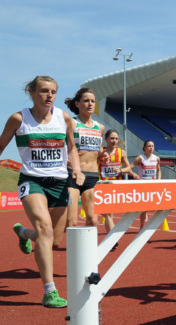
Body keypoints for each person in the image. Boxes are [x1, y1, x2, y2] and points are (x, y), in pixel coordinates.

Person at [0, 75, 83, 308]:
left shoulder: (63, 118)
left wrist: (76, 169)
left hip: (59, 182)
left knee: (53, 240)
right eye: (44, 91)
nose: (49, 96)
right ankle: (49, 291)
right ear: (32, 93)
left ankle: (24, 233)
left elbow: (72, 148)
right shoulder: (18, 118)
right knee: (44, 229)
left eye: (53, 92)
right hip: (32, 180)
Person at [60, 88, 104, 244]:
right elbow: (62, 147)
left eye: (92, 101)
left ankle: (87, 252)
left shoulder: (100, 127)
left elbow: (98, 149)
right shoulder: (71, 123)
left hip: (92, 177)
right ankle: (74, 255)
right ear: (77, 103)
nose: (90, 104)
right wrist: (66, 161)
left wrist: (102, 153)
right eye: (86, 101)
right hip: (73, 175)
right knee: (71, 222)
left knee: (93, 220)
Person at [99, 129, 139, 241]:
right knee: (107, 214)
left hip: (115, 186)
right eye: (112, 138)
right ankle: (112, 239)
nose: (114, 141)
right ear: (106, 139)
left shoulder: (121, 152)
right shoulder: (101, 152)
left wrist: (121, 170)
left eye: (116, 138)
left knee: (109, 214)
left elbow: (129, 168)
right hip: (102, 186)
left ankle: (111, 239)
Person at [131, 141, 161, 229]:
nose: (151, 148)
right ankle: (141, 227)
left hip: (153, 185)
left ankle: (146, 215)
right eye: (149, 146)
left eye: (152, 146)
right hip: (142, 185)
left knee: (154, 206)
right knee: (144, 209)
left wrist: (158, 180)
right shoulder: (140, 158)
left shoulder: (156, 158)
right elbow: (130, 167)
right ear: (144, 147)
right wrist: (134, 175)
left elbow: (159, 170)